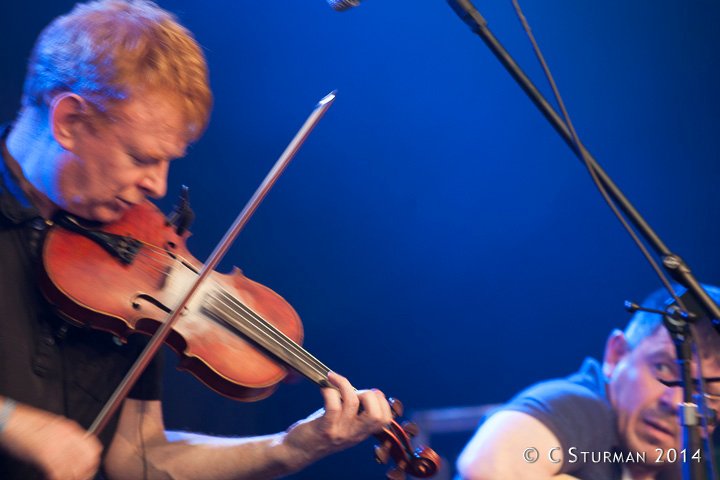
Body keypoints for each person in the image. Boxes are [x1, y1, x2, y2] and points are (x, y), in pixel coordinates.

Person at [0, 1, 394, 479]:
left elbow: (139, 459)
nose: (158, 187)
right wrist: (12, 422)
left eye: (169, 161)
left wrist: (291, 448)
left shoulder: (133, 262)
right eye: (141, 157)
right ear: (69, 122)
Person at [456, 286, 720, 480]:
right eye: (662, 368)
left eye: (707, 392)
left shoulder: (688, 464)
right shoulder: (581, 406)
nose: (675, 402)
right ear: (616, 354)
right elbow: (489, 468)